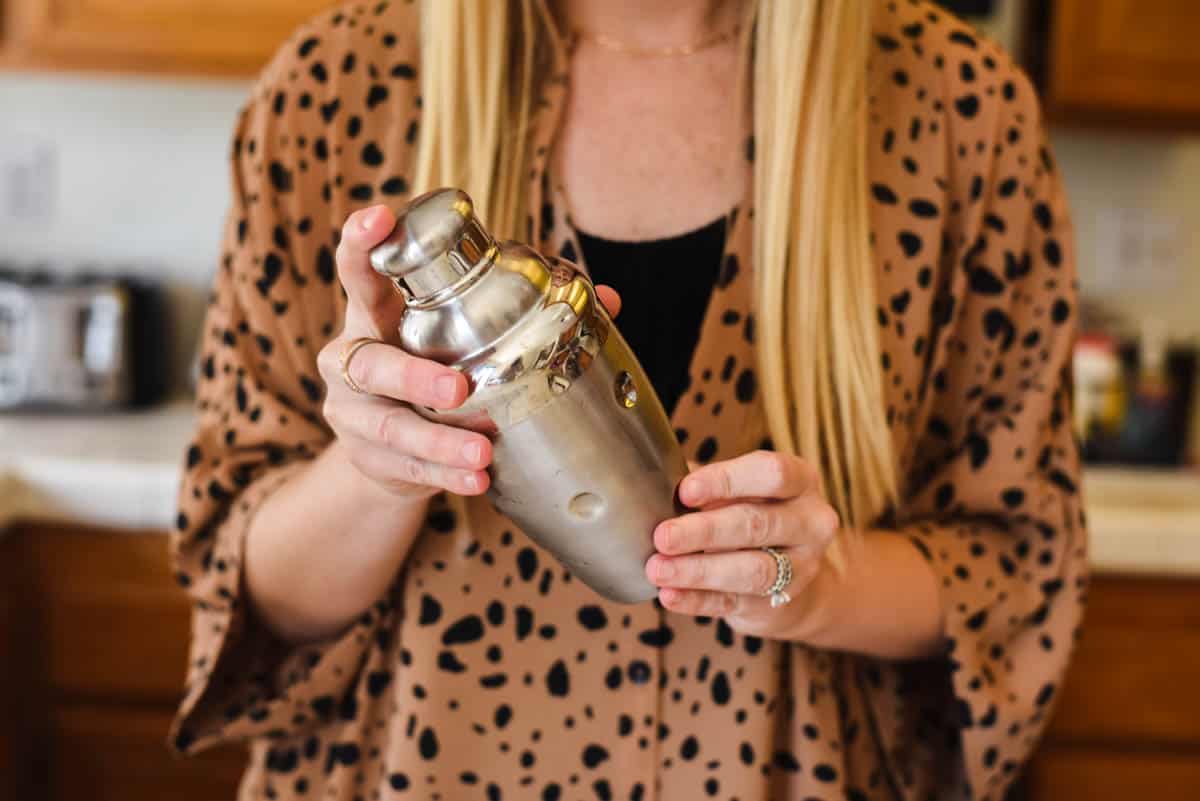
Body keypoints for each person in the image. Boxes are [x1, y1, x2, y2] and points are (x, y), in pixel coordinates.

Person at [168, 0, 1087, 799]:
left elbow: (1014, 566)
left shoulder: (957, 108)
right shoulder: (335, 89)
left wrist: (819, 584)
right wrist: (378, 469)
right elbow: (249, 589)